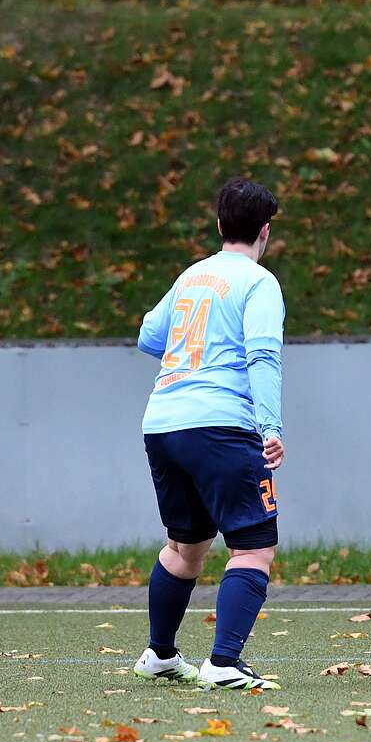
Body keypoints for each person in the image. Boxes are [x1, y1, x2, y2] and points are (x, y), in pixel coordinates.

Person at [132, 177, 286, 691]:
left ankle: (160, 654)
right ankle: (223, 663)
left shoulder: (192, 274)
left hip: (163, 423)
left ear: (220, 226)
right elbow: (262, 356)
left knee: (185, 547)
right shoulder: (259, 282)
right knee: (253, 549)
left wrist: (191, 360)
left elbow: (149, 335)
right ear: (265, 231)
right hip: (220, 427)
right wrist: (270, 426)